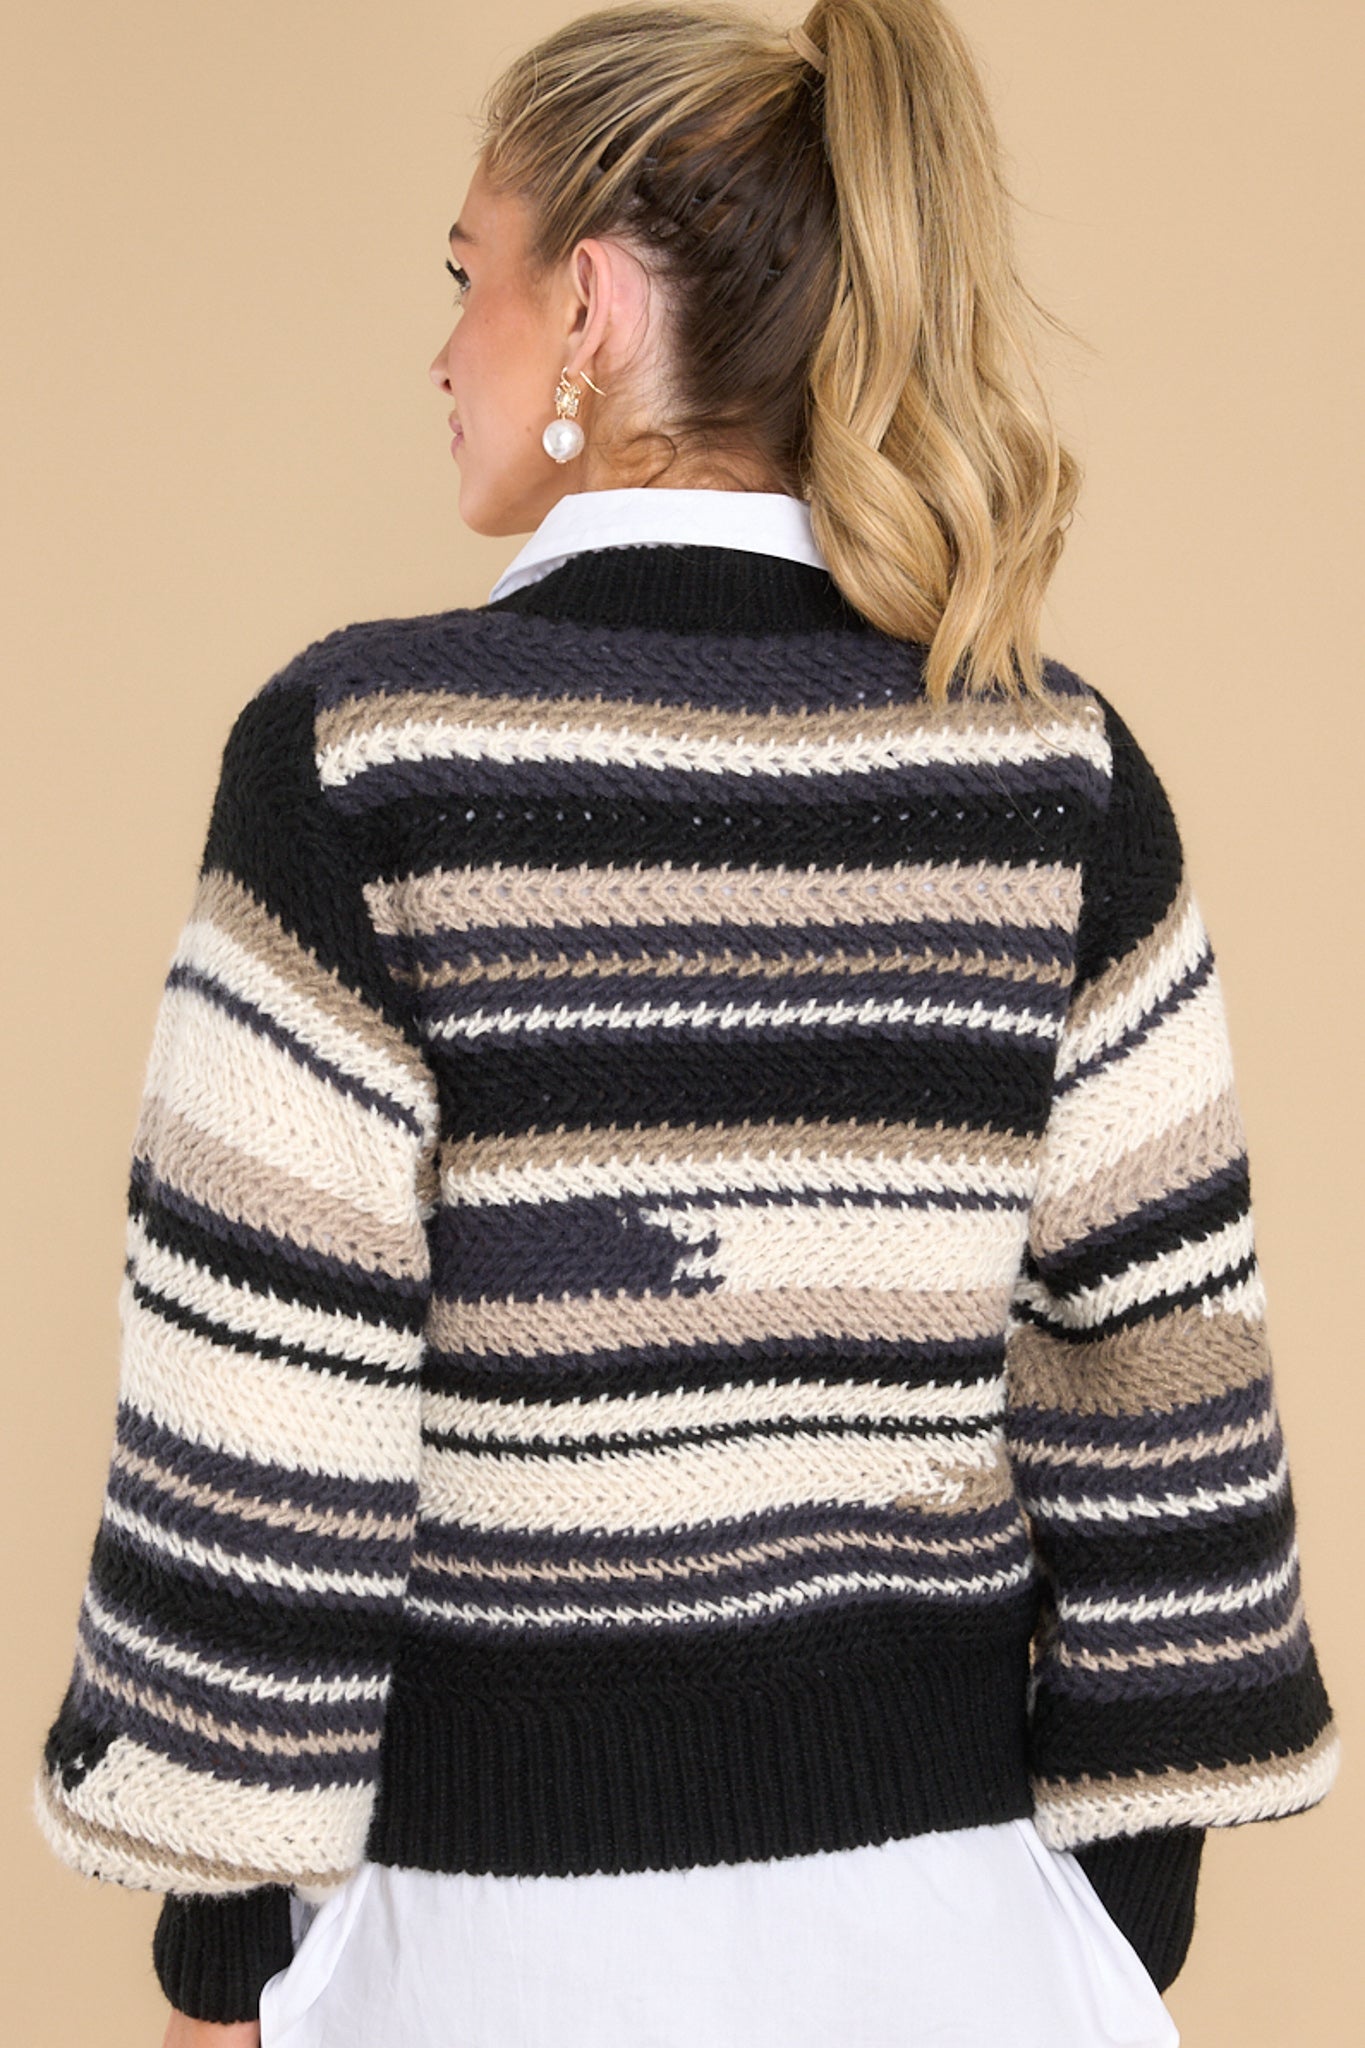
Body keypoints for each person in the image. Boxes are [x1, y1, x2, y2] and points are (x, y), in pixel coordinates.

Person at [31, 5, 1338, 2045]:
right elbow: (1156, 1366)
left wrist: (222, 1963)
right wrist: (1113, 1922)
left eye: (465, 277)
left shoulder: (359, 759)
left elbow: (265, 1385)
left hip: (485, 1953)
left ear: (589, 308)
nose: (440, 351)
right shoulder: (1054, 775)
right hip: (961, 1949)